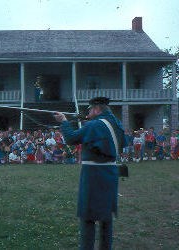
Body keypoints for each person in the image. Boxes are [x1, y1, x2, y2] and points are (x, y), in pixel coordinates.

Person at [54, 97, 126, 250]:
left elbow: (71, 138)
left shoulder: (94, 125)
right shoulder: (117, 124)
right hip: (110, 173)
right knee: (106, 218)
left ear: (97, 109)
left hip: (93, 175)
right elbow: (124, 142)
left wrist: (64, 121)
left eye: (90, 110)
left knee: (88, 217)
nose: (88, 113)